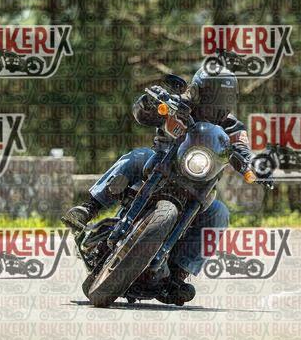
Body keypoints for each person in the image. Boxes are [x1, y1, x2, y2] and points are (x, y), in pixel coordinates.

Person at [63, 67, 258, 305]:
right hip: (161, 163)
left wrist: (252, 164)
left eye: (223, 98)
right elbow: (143, 113)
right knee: (137, 157)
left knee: (219, 213)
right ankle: (88, 208)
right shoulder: (179, 103)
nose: (217, 102)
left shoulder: (233, 127)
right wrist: (151, 102)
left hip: (199, 182)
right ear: (198, 91)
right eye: (212, 94)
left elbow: (243, 149)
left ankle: (177, 275)